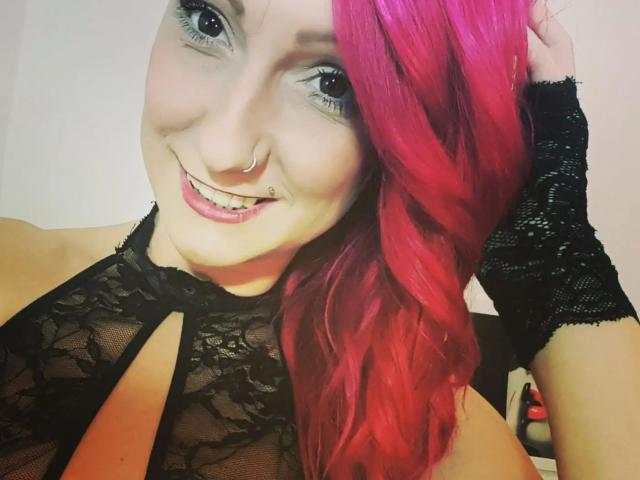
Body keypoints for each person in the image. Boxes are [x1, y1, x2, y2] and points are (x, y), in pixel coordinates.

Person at [0, 1, 637, 479]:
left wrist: (551, 255)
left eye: (334, 83)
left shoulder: (423, 439)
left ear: (402, 137)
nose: (224, 148)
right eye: (207, 22)